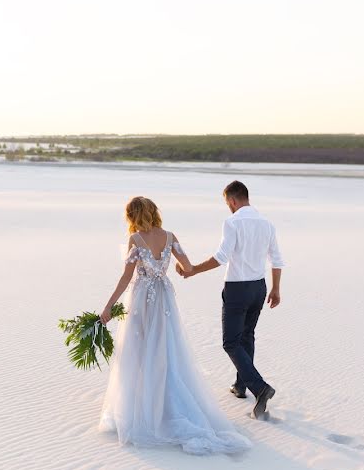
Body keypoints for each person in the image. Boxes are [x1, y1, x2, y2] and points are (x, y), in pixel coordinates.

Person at [97, 196, 251, 455]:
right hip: (164, 296)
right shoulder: (170, 236)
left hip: (142, 298)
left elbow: (126, 278)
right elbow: (187, 266)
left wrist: (109, 307)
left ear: (133, 215)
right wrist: (178, 269)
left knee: (139, 349)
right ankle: (167, 401)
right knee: (165, 347)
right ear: (154, 212)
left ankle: (143, 406)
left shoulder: (135, 240)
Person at [177, 180, 284, 420]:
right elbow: (276, 259)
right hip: (259, 288)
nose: (229, 207)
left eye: (228, 203)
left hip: (237, 289)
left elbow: (221, 257)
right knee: (247, 336)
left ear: (233, 200)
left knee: (230, 342)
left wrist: (193, 269)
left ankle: (260, 388)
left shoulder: (232, 222)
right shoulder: (267, 223)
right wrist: (276, 289)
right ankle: (240, 386)